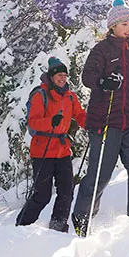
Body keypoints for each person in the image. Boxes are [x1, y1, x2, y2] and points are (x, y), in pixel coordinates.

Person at [71, 0, 129, 236]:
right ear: (112, 25)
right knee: (100, 175)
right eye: (124, 22)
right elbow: (87, 76)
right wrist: (103, 82)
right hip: (104, 123)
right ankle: (82, 220)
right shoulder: (101, 50)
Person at [16, 57, 87, 232]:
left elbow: (80, 115)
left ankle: (58, 227)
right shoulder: (40, 95)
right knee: (42, 195)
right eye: (59, 75)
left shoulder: (70, 97)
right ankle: (22, 226)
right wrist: (50, 122)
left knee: (67, 191)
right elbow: (33, 122)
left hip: (62, 151)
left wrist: (95, 124)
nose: (62, 78)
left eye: (65, 75)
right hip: (42, 151)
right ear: (51, 77)